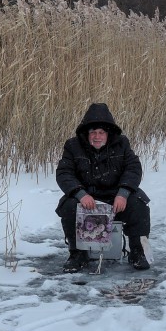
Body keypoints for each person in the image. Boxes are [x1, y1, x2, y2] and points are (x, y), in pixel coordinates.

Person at [55, 103, 151, 273]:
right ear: (87, 133)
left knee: (138, 204)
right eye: (93, 132)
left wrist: (123, 193)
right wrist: (80, 194)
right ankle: (77, 254)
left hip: (115, 196)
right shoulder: (72, 146)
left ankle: (138, 252)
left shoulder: (122, 143)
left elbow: (133, 168)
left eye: (101, 132)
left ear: (108, 133)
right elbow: (64, 173)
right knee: (68, 206)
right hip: (87, 197)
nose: (96, 137)